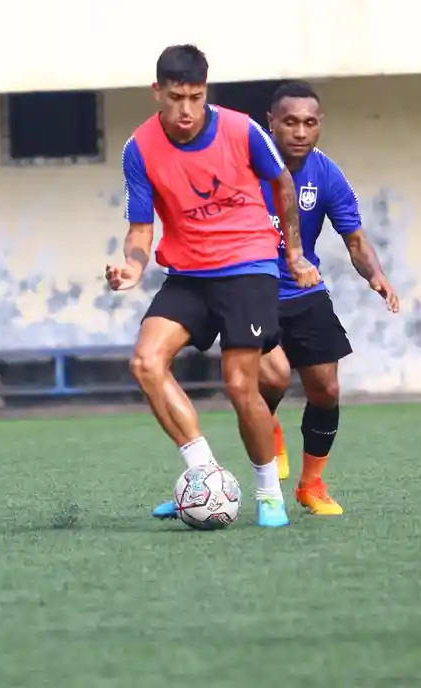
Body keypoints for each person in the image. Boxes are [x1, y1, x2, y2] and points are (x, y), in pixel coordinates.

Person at [106, 44, 320, 529]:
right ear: (156, 92)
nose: (186, 110)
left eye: (196, 97)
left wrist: (293, 252)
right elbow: (141, 229)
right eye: (176, 97)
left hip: (247, 266)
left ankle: (269, 493)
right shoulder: (138, 149)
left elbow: (283, 182)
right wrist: (134, 268)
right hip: (189, 275)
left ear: (207, 92)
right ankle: (205, 474)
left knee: (240, 383)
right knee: (145, 361)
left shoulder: (242, 129)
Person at [255, 81, 399, 516]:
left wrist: (376, 276)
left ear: (319, 126)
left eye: (309, 123)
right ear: (272, 123)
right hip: (251, 289)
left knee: (326, 389)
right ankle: (269, 429)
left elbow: (354, 238)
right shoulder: (246, 168)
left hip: (305, 290)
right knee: (275, 376)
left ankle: (311, 485)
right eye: (290, 122)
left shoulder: (327, 174)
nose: (300, 131)